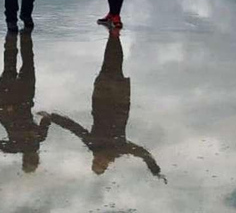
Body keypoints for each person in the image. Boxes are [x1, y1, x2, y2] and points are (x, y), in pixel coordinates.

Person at [39, 28, 165, 181]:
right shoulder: (119, 149)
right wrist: (155, 170)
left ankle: (113, 36)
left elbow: (73, 127)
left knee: (107, 65)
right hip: (119, 102)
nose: (99, 160)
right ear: (107, 164)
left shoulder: (93, 143)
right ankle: (114, 36)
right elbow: (143, 153)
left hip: (101, 100)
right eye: (101, 164)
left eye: (95, 162)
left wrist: (51, 117)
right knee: (116, 66)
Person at [0, 29, 51, 173]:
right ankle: (14, 34)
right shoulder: (16, 147)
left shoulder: (37, 139)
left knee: (24, 63)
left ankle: (19, 33)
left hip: (18, 100)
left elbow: (47, 119)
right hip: (8, 102)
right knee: (12, 63)